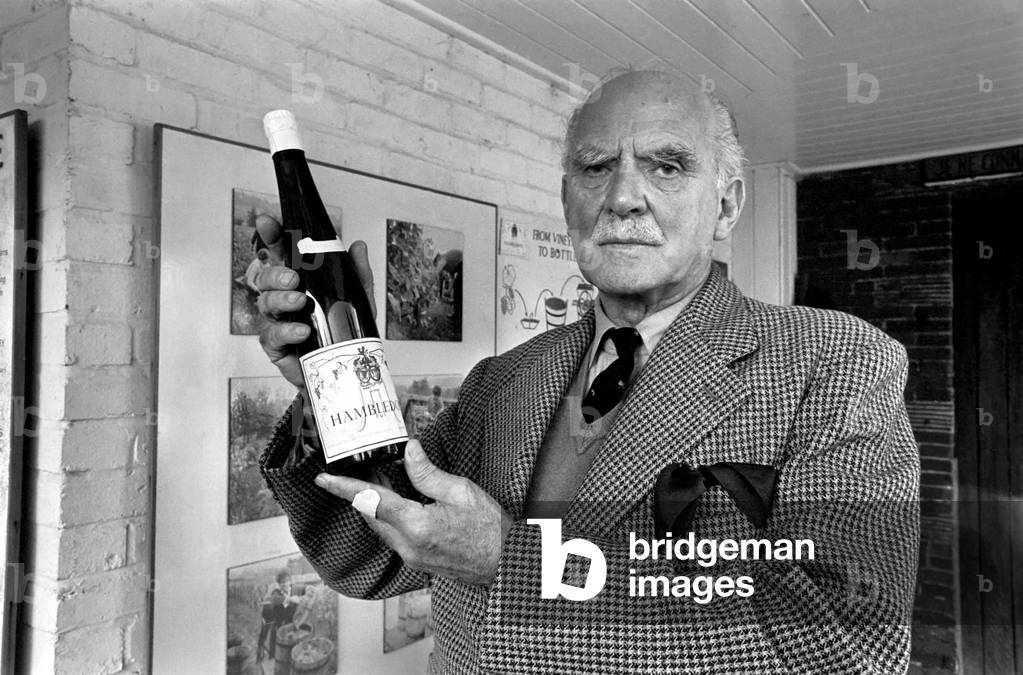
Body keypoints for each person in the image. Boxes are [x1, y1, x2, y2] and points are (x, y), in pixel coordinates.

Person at [255, 70, 919, 674]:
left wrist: (513, 561)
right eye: (596, 166)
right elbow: (367, 557)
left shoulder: (835, 361)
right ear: (567, 199)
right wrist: (322, 390)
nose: (623, 196)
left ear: (726, 205)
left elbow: (846, 644)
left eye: (667, 165)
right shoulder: (502, 381)